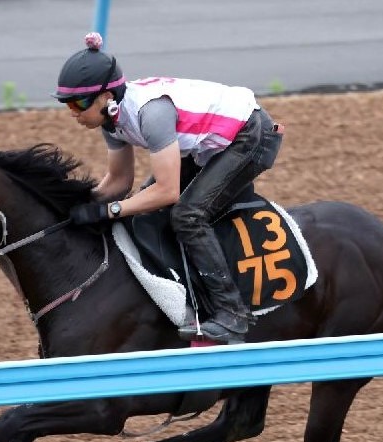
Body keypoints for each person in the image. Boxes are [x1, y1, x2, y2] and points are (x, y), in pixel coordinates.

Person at [54, 33, 283, 345]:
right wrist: (79, 208)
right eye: (67, 104)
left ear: (106, 97)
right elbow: (119, 182)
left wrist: (109, 210)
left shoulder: (152, 114)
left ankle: (233, 314)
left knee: (187, 216)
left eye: (79, 103)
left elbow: (166, 192)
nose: (74, 113)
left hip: (251, 136)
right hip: (210, 146)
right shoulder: (111, 121)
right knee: (143, 214)